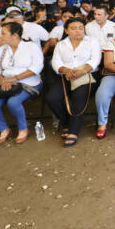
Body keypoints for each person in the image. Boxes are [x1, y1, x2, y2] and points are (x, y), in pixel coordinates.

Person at [0, 22, 44, 144]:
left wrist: (15, 78)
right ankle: (4, 129)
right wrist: (2, 80)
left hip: (28, 82)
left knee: (13, 102)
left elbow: (36, 68)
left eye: (3, 34)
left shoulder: (31, 47)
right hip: (5, 83)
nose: (0, 37)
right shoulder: (1, 50)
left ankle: (23, 129)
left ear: (15, 35)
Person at [47, 17, 101, 147]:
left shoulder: (92, 41)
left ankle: (73, 131)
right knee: (52, 98)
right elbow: (55, 62)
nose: (78, 31)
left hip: (87, 75)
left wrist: (82, 71)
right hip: (66, 75)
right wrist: (65, 70)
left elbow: (95, 59)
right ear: (66, 30)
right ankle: (65, 122)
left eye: (80, 28)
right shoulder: (61, 44)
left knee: (78, 96)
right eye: (73, 28)